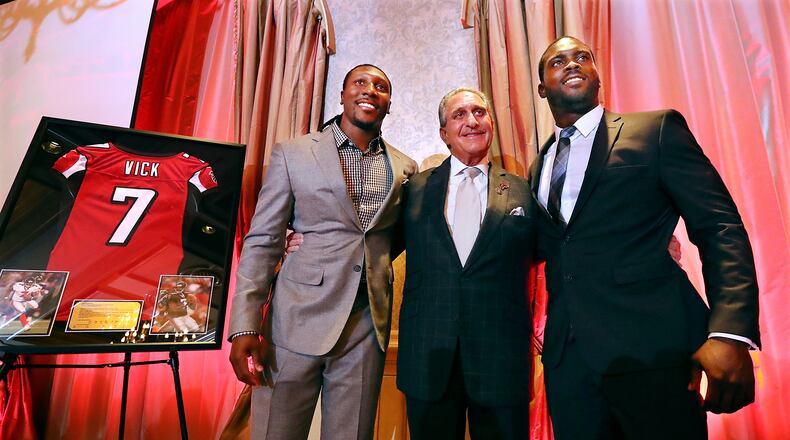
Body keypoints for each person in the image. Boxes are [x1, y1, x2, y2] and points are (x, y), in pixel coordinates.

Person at [530, 36, 760, 439]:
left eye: (583, 57)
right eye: (558, 61)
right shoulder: (539, 165)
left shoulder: (655, 130)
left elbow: (719, 227)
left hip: (653, 353)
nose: (572, 64)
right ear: (541, 87)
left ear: (597, 76)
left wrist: (729, 331)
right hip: (570, 369)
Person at [227, 64, 417, 440]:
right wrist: (244, 324)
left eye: (381, 86)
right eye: (360, 83)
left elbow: (389, 241)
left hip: (365, 327)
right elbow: (263, 239)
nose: (370, 90)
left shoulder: (403, 168)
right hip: (293, 321)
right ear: (343, 95)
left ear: (389, 103)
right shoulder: (294, 154)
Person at [396, 87, 535, 439]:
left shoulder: (522, 190)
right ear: (444, 133)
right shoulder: (413, 189)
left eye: (479, 112)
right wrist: (301, 242)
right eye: (459, 115)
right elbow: (374, 245)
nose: (472, 121)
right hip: (429, 359)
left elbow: (558, 248)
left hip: (502, 362)